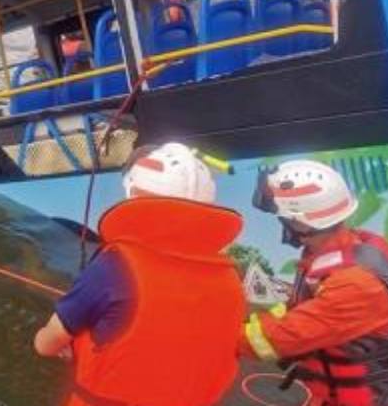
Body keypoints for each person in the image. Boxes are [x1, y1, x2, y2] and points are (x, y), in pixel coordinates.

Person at [32, 143, 247, 406]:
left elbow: (46, 344)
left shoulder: (116, 266)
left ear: (134, 192)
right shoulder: (230, 278)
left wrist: (51, 339)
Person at [242, 160, 388, 406]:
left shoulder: (356, 285)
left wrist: (216, 336)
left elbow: (279, 339)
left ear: (300, 222)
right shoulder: (347, 249)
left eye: (281, 216)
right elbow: (301, 310)